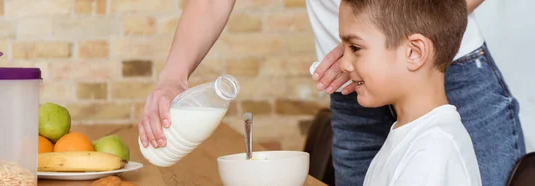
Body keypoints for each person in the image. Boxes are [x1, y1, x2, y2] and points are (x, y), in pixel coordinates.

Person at [137, 0, 525, 185]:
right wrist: (174, 76)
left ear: (415, 49)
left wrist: (383, 35)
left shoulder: (433, 150)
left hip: (432, 64)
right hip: (361, 81)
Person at [335, 0, 481, 185]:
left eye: (355, 48)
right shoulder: (410, 136)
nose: (343, 64)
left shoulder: (431, 154)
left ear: (414, 52)